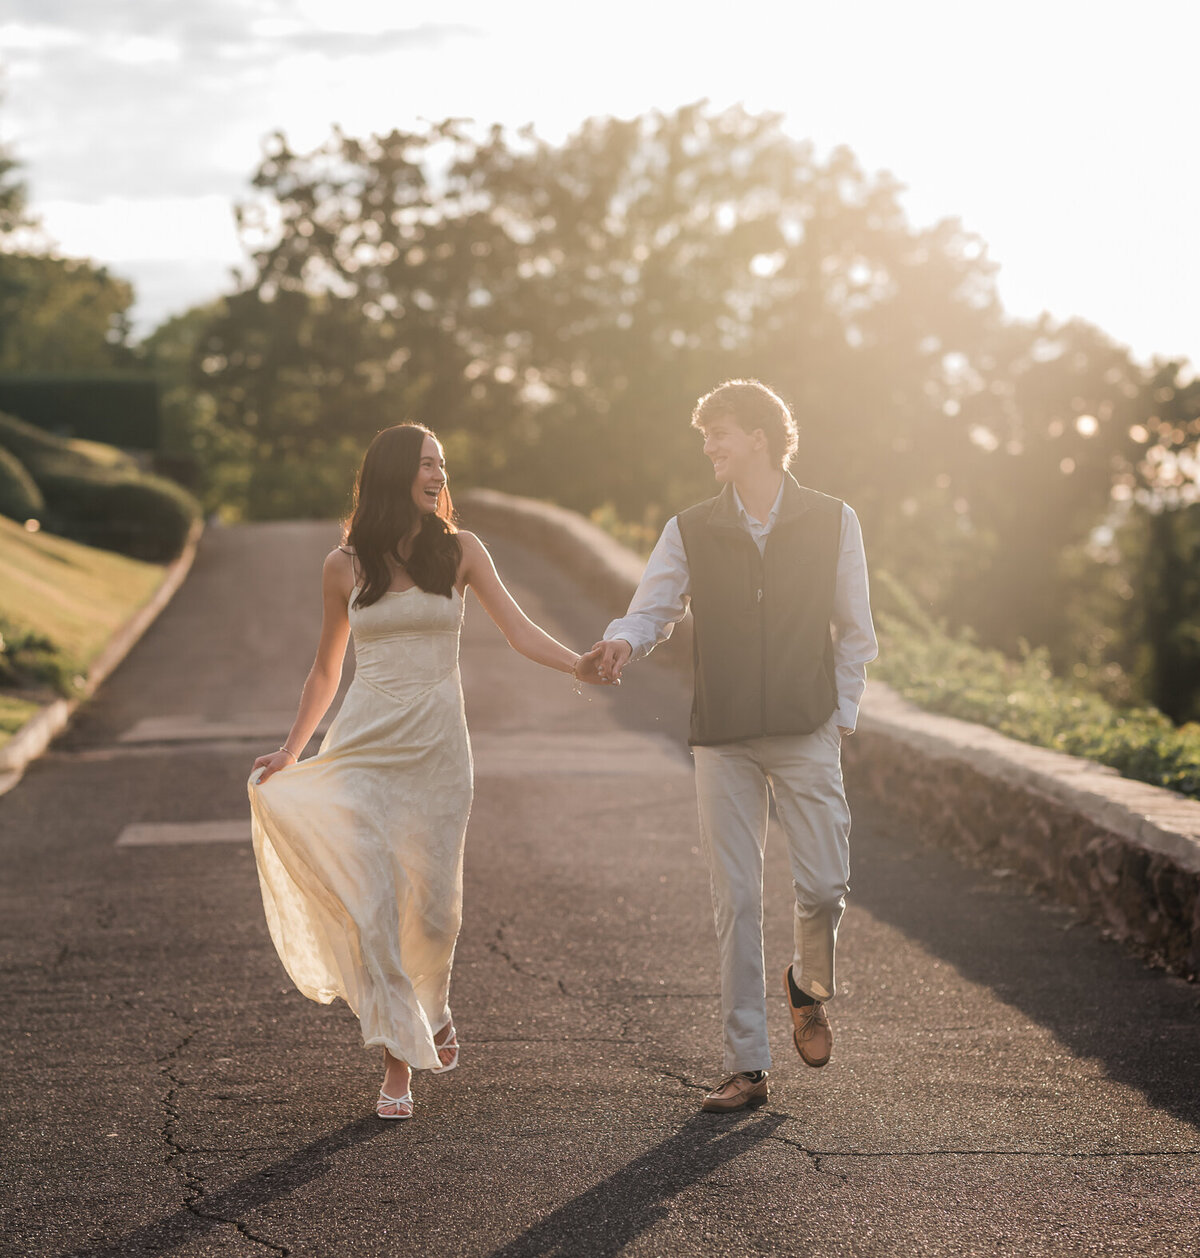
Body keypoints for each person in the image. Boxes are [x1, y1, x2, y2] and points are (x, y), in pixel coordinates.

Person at [249, 422, 609, 1120]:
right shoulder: (343, 565)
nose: (438, 474)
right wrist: (293, 750)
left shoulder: (463, 552)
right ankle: (398, 1067)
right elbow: (327, 668)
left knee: (433, 912)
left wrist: (580, 664)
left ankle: (433, 1007)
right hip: (362, 750)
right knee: (376, 909)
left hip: (440, 756)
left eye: (442, 463)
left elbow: (519, 629)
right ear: (392, 474)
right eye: (424, 463)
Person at [592, 379, 877, 1112]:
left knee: (822, 886)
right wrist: (624, 641)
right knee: (737, 899)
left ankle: (807, 988)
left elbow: (855, 628)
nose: (709, 447)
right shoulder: (690, 527)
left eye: (719, 433)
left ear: (758, 436)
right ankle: (746, 1065)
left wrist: (840, 715)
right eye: (705, 435)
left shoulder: (832, 519)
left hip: (806, 726)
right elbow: (652, 605)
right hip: (722, 735)